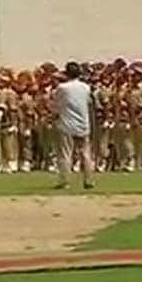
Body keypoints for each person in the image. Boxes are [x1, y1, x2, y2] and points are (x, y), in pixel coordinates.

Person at [53, 61, 96, 190]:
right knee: (85, 153)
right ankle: (88, 180)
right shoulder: (86, 87)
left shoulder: (62, 88)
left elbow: (57, 106)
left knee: (65, 153)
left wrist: (54, 117)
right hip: (83, 122)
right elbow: (89, 103)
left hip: (67, 123)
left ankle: (65, 181)